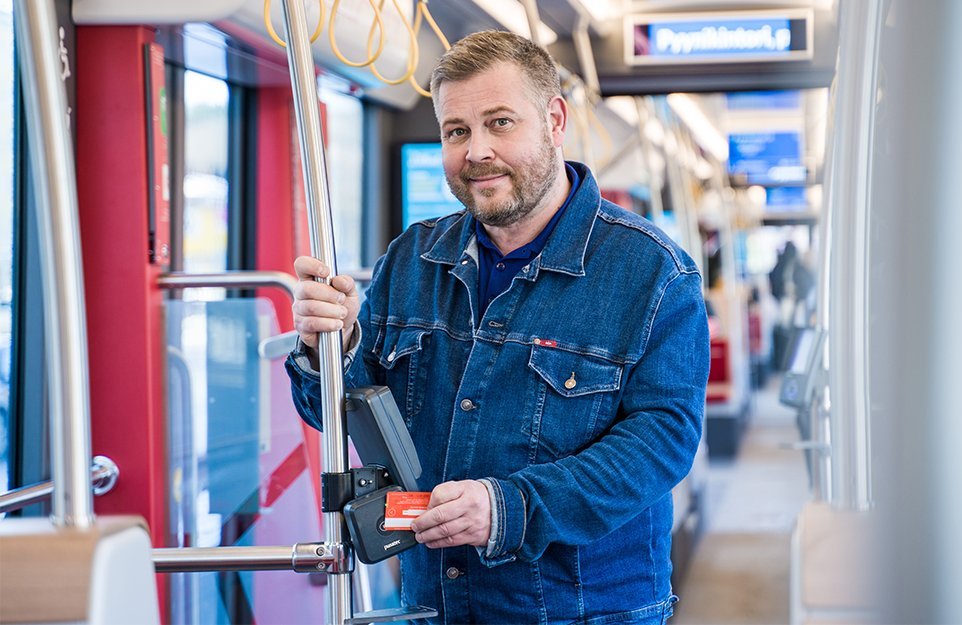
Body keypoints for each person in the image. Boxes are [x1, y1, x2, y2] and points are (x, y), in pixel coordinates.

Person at [286, 30, 709, 624]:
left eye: (500, 123)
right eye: (456, 130)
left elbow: (662, 440)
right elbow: (339, 412)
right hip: (436, 604)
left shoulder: (652, 273)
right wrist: (328, 345)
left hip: (586, 611)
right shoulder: (413, 259)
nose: (475, 150)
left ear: (554, 120)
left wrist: (511, 507)